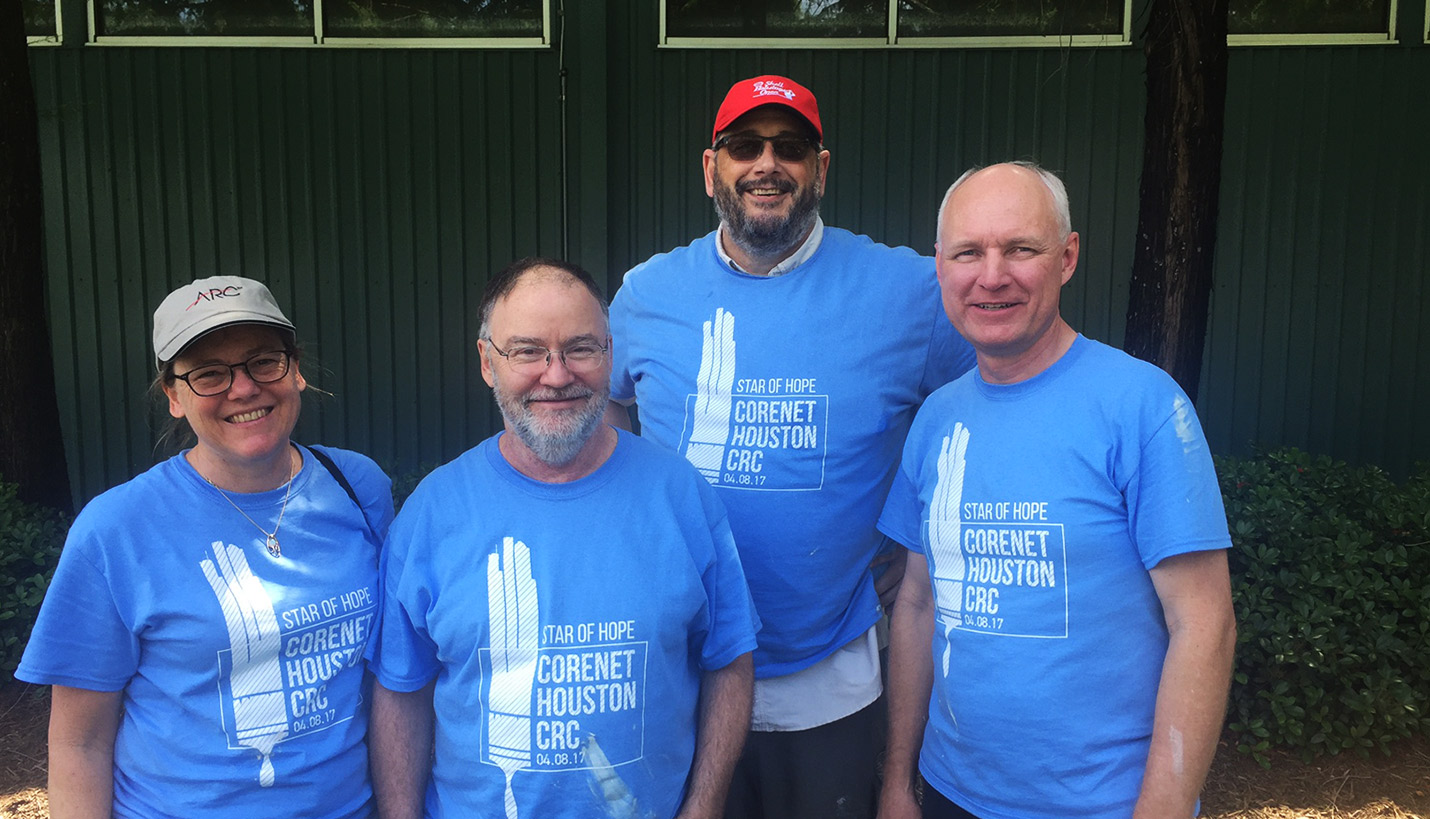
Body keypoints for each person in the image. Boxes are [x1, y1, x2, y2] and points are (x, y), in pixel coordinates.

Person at [605, 75, 977, 818]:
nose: (766, 163)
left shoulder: (909, 292)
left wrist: (920, 541)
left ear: (822, 168)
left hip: (829, 679)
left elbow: (986, 403)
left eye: (790, 147)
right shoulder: (645, 296)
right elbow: (605, 408)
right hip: (683, 666)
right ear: (711, 167)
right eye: (745, 145)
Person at [876, 162, 1238, 819]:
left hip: (1103, 802)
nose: (992, 275)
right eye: (968, 252)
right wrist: (899, 781)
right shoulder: (936, 420)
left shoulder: (1141, 405)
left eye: (1020, 248)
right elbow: (918, 603)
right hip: (953, 791)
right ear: (940, 267)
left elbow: (1204, 623)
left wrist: (1162, 807)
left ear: (1066, 257)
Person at [369, 258, 759, 819]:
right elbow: (401, 689)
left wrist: (703, 808)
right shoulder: (435, 512)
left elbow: (729, 659)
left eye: (580, 348)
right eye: (527, 351)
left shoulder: (680, 496)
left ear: (608, 353)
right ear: (487, 363)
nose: (556, 375)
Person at [18, 276, 393, 818]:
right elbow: (80, 743)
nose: (243, 389)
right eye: (209, 374)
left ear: (296, 369)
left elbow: (389, 676)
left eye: (264, 361)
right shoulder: (116, 528)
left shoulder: (358, 487)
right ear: (173, 395)